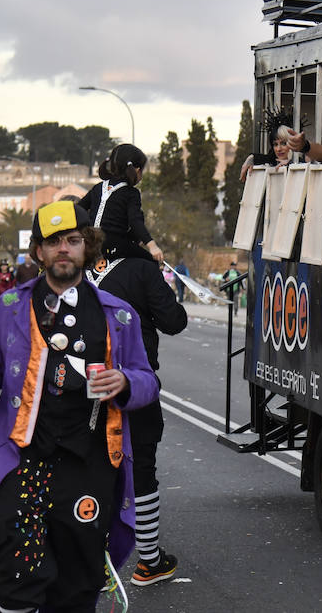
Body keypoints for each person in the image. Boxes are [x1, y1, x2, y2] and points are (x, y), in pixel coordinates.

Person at [0, 201, 159, 611]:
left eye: (73, 240)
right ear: (39, 252)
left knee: (80, 577)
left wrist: (124, 381)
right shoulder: (9, 307)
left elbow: (147, 380)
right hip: (23, 457)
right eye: (53, 242)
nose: (63, 249)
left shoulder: (118, 315)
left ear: (89, 247)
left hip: (91, 461)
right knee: (18, 567)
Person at [87, 248, 188, 586]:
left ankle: (93, 560)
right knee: (142, 469)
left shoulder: (68, 271)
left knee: (87, 469)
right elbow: (174, 320)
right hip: (135, 382)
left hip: (83, 388)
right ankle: (149, 561)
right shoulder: (141, 269)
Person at [79, 143, 165, 264]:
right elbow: (135, 221)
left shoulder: (98, 188)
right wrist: (152, 245)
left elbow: (78, 210)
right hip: (114, 246)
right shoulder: (131, 193)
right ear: (137, 170)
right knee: (151, 263)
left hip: (90, 243)